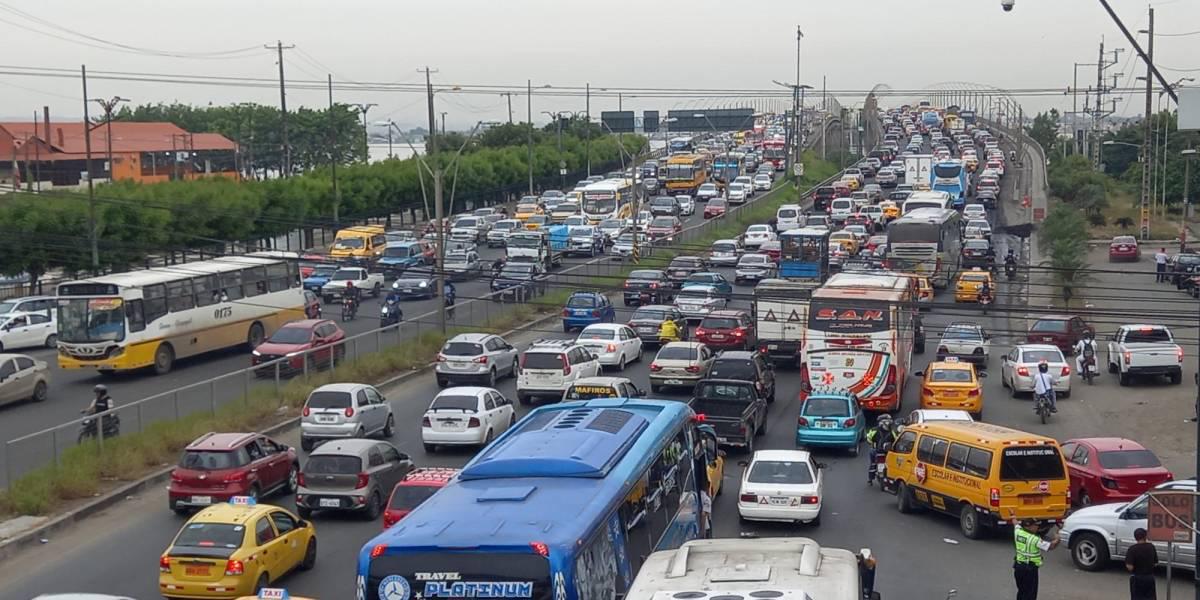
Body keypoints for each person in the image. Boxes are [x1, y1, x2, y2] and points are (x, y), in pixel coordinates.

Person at [1013, 519, 1059, 600]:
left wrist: (1013, 516)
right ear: (1029, 527)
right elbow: (1051, 546)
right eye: (1035, 525)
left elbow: (1015, 523)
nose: (1037, 527)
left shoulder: (1018, 532)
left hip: (1018, 567)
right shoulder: (1034, 539)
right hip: (1029, 570)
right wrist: (1058, 539)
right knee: (1030, 593)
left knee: (1022, 591)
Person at [1125, 527, 1158, 600]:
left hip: (1137, 578)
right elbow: (1155, 563)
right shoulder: (1151, 547)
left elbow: (1129, 566)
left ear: (1135, 538)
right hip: (1149, 577)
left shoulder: (1132, 549)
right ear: (1145, 536)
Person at [865, 414, 896, 485]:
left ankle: (870, 479)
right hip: (886, 452)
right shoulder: (891, 432)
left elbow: (868, 438)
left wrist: (872, 443)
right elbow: (895, 441)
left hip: (876, 451)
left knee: (872, 464)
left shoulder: (874, 430)